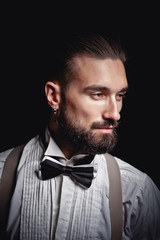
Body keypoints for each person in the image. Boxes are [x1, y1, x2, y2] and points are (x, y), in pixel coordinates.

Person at [0, 32, 160, 240]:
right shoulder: (2, 174)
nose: (115, 114)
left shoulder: (137, 191)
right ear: (54, 96)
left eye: (119, 95)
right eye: (98, 94)